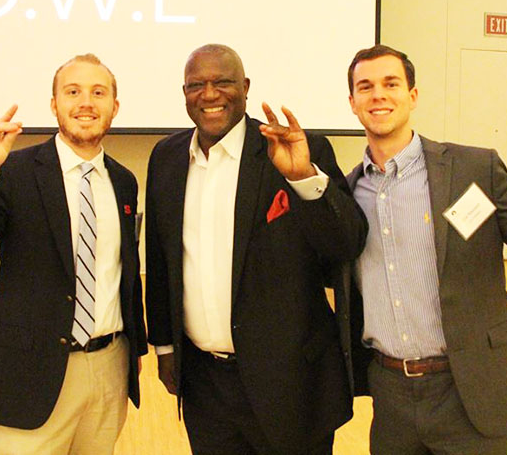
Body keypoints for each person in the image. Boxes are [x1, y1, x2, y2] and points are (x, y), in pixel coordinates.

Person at [144, 43, 368, 455]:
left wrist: (304, 179)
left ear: (245, 87)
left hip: (291, 386)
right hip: (205, 386)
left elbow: (345, 243)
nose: (210, 94)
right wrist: (165, 347)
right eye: (197, 85)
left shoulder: (297, 151)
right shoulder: (167, 158)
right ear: (184, 93)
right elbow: (161, 263)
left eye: (223, 82)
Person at [345, 44, 507, 454]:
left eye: (391, 83)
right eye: (365, 87)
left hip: (471, 386)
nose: (379, 95)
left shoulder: (472, 169)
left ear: (413, 95)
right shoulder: (349, 192)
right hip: (391, 395)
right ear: (352, 103)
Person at [0, 53, 147, 455]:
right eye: (73, 92)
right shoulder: (12, 172)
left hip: (108, 369)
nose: (86, 102)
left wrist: (133, 352)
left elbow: (123, 273)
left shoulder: (123, 181)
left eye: (98, 92)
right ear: (54, 105)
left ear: (114, 108)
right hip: (29, 373)